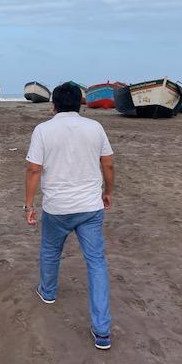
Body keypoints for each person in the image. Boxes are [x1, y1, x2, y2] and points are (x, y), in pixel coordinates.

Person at [24, 82, 115, 350]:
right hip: (90, 206)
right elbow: (108, 163)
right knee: (96, 263)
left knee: (51, 250)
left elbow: (33, 169)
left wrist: (29, 205)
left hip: (57, 207)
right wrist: (109, 191)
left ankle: (48, 292)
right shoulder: (95, 128)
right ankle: (102, 330)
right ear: (81, 103)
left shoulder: (43, 130)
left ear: (53, 105)